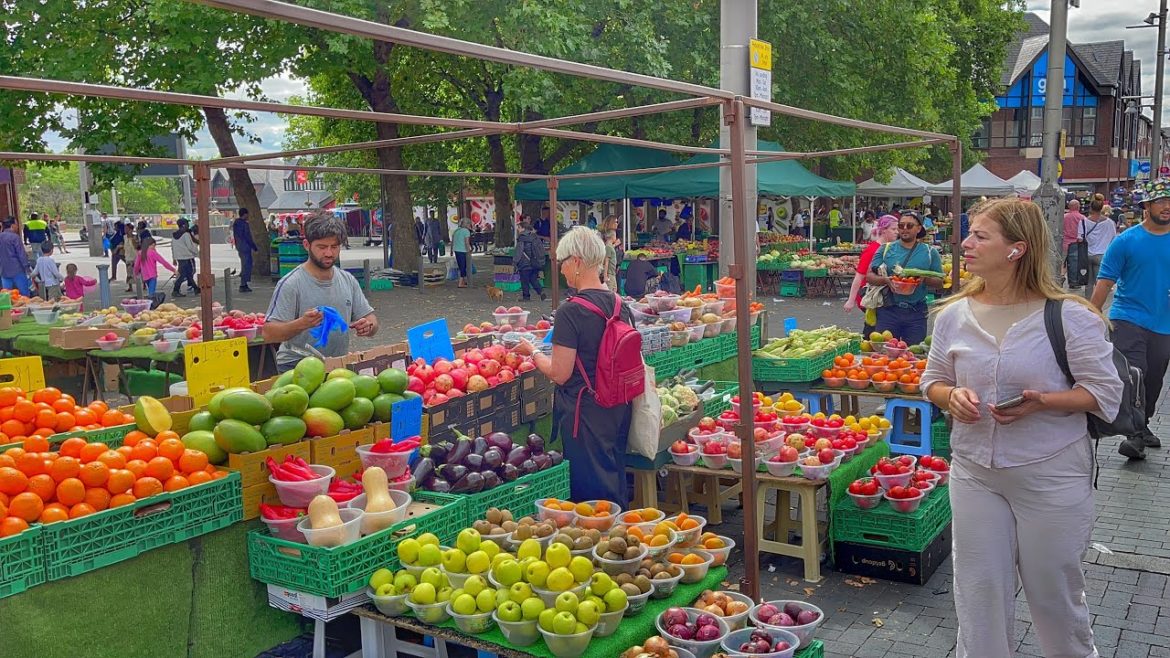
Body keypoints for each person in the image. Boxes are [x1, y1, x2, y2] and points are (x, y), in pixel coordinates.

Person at [921, 197, 1122, 658]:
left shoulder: (1069, 316)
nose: (966, 244)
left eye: (980, 236)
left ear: (1017, 249)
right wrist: (949, 396)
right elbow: (931, 381)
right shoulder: (954, 314)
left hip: (1051, 473)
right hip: (974, 472)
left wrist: (1042, 402)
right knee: (978, 592)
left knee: (1053, 594)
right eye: (969, 233)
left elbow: (1105, 395)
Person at [513, 227, 633, 504]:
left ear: (577, 262)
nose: (561, 270)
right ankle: (620, 535)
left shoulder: (571, 311)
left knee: (590, 488)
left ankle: (599, 540)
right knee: (613, 476)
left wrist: (532, 352)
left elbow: (560, 372)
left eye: (563, 262)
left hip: (586, 410)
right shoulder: (619, 304)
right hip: (618, 405)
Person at [1090, 177, 1170, 460]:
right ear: (1147, 205)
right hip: (1127, 317)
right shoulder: (1126, 241)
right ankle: (1134, 436)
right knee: (1135, 375)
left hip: (1163, 323)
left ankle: (1142, 424)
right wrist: (1089, 318)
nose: (1167, 206)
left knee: (1154, 379)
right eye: (1161, 200)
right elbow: (1104, 282)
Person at [263, 212, 378, 372]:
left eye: (334, 247)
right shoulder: (291, 283)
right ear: (306, 245)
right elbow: (269, 333)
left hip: (337, 366)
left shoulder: (348, 280)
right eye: (322, 247)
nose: (329, 253)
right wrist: (301, 324)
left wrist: (369, 326)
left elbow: (370, 318)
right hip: (296, 367)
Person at [865, 211, 943, 345]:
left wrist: (924, 279)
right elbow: (869, 276)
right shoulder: (886, 248)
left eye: (909, 225)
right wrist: (886, 280)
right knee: (884, 352)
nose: (904, 229)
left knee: (914, 353)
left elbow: (939, 282)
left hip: (916, 312)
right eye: (901, 226)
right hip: (888, 310)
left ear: (919, 228)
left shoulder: (930, 252)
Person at [844, 215, 898, 332]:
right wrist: (851, 300)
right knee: (874, 326)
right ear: (884, 230)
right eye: (893, 229)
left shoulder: (891, 248)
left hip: (883, 296)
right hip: (870, 296)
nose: (896, 232)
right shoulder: (872, 250)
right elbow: (859, 276)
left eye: (897, 229)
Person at [1077, 193, 1117, 296]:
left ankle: (1088, 304)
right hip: (1102, 255)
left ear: (1090, 207)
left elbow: (1080, 239)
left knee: (1088, 283)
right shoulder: (1110, 223)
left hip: (1087, 255)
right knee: (1100, 283)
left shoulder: (1083, 222)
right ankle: (1097, 306)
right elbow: (1114, 239)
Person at [514, 221, 547, 301]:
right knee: (533, 279)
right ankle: (540, 291)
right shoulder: (534, 237)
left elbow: (519, 252)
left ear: (523, 228)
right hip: (535, 262)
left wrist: (515, 262)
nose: (518, 229)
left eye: (519, 227)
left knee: (524, 280)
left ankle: (526, 296)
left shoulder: (522, 238)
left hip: (524, 263)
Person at [170, 218, 200, 297]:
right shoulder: (186, 234)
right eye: (187, 223)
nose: (188, 225)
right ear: (183, 225)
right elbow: (190, 246)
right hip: (187, 257)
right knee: (187, 273)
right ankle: (175, 290)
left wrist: (174, 258)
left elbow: (172, 247)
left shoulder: (174, 235)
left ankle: (196, 288)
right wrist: (197, 253)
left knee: (187, 274)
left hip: (179, 258)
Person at [0, 219, 31, 296]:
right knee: (24, 294)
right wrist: (27, 268)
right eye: (16, 224)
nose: (17, 226)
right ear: (12, 225)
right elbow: (21, 254)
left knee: (6, 296)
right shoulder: (15, 237)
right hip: (17, 269)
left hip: (4, 270)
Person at [233, 209, 258, 293]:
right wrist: (254, 246)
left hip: (239, 246)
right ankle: (243, 284)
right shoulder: (244, 224)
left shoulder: (236, 223)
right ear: (245, 214)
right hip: (246, 247)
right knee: (247, 265)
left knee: (244, 264)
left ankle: (244, 283)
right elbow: (247, 237)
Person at [1062, 199, 1086, 287]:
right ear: (1078, 206)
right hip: (1076, 243)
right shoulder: (1082, 218)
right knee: (1074, 264)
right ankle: (1073, 282)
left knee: (1061, 262)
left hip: (1064, 242)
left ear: (1069, 207)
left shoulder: (1063, 217)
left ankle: (1058, 278)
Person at [451, 217, 472, 288]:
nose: (470, 225)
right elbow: (467, 242)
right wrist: (469, 250)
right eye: (469, 224)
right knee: (463, 267)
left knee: (461, 266)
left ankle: (463, 281)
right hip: (463, 250)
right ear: (467, 224)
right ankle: (460, 283)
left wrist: (451, 250)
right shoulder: (466, 231)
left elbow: (453, 241)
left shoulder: (456, 231)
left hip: (456, 250)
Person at [123, 220, 140, 293]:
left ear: (131, 229)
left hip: (135, 256)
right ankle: (130, 286)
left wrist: (133, 241)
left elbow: (137, 246)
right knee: (129, 272)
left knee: (138, 271)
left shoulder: (135, 237)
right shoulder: (124, 237)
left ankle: (143, 284)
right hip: (128, 256)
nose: (125, 230)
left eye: (127, 228)